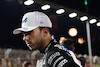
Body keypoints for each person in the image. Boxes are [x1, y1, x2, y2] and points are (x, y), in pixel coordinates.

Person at [13, 11, 80, 67]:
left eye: (29, 32)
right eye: (24, 34)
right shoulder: (50, 52)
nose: (25, 38)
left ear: (45, 32)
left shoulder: (54, 55)